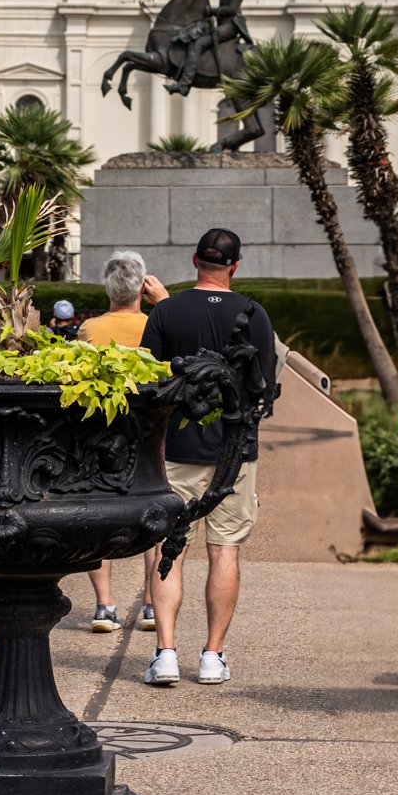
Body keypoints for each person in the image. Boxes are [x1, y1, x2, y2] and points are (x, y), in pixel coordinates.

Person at [139, 227, 276, 688]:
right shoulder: (254, 314)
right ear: (235, 266)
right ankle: (213, 657)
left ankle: (165, 654)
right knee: (225, 551)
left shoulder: (165, 311)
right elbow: (264, 385)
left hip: (176, 450)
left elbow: (149, 383)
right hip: (235, 452)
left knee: (169, 550)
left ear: (194, 259)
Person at [78, 250, 170, 634]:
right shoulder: (155, 325)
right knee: (154, 516)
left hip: (99, 434)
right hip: (150, 434)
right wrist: (163, 301)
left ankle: (104, 606)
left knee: (97, 514)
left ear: (108, 288)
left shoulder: (89, 330)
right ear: (141, 288)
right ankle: (151, 604)